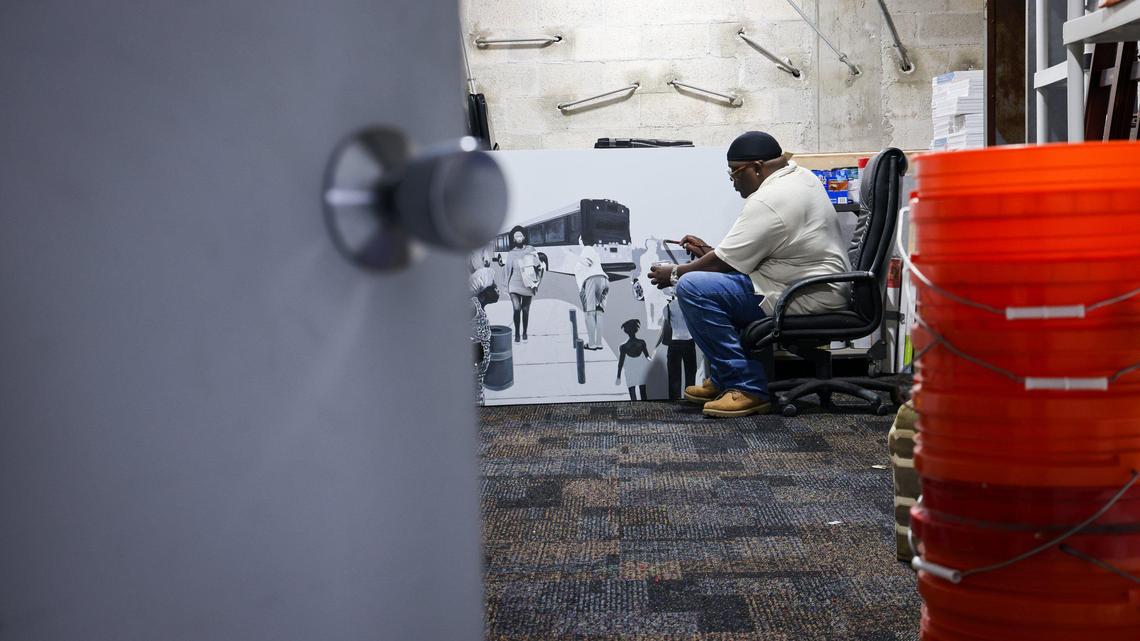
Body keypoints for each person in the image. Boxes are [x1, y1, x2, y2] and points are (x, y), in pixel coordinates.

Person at [648, 131, 851, 418]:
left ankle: (745, 387)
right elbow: (745, 254)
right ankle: (724, 378)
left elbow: (722, 264)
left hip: (806, 294)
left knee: (693, 287)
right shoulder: (799, 178)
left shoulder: (771, 200)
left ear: (757, 167)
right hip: (802, 284)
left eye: (735, 174)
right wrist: (707, 250)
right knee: (704, 284)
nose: (733, 183)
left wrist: (675, 274)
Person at [504, 225, 544, 343]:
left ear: (524, 237)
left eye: (520, 235)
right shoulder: (511, 253)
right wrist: (506, 287)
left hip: (528, 284)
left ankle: (525, 332)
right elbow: (507, 271)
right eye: (516, 236)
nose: (519, 238)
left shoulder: (531, 249)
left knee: (525, 310)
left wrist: (537, 282)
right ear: (513, 239)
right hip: (514, 285)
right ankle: (517, 333)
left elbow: (539, 266)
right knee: (517, 309)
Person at [658, 290, 697, 401]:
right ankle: (691, 398)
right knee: (690, 373)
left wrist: (655, 347)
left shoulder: (668, 307)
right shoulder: (690, 306)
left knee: (674, 375)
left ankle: (674, 400)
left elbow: (664, 328)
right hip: (689, 340)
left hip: (674, 342)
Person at [574, 237, 609, 350]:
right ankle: (599, 343)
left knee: (589, 313)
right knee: (599, 313)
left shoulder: (587, 249)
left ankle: (592, 344)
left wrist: (573, 256)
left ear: (581, 240)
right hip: (604, 280)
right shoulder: (595, 252)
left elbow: (587, 262)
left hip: (591, 281)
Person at [470, 267, 498, 405]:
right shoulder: (471, 304)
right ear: (483, 292)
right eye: (494, 286)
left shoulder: (477, 305)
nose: (497, 290)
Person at [615, 319, 651, 401]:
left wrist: (618, 376)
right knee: (643, 391)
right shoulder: (642, 343)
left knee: (632, 391)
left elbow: (621, 362)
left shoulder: (623, 346)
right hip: (640, 368)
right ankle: (646, 408)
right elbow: (647, 357)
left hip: (630, 369)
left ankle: (634, 407)